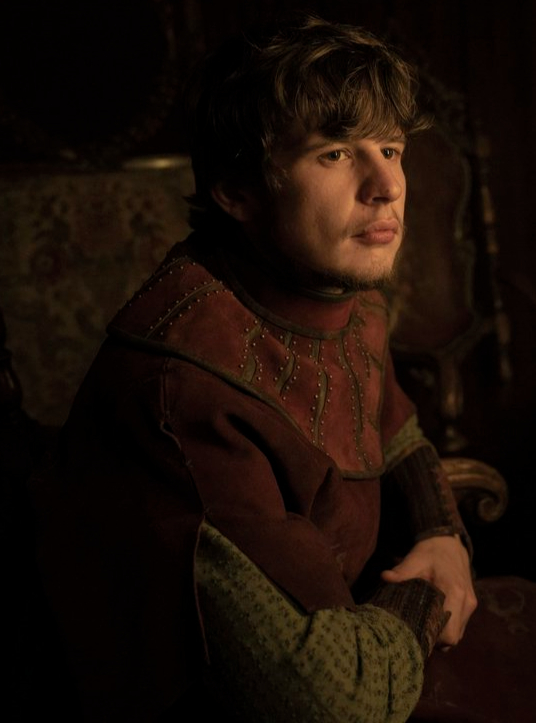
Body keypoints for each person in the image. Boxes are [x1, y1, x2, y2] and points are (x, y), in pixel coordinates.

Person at [30, 14, 477, 723]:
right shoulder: (184, 392)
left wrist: (439, 534)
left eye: (391, 147)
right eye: (335, 153)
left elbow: (395, 431)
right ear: (236, 190)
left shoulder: (338, 293)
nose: (387, 184)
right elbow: (334, 699)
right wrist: (430, 588)